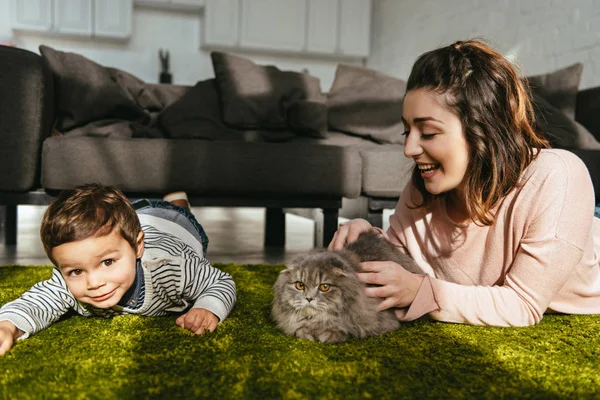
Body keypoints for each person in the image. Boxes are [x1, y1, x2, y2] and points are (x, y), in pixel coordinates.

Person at [329, 39, 600, 327]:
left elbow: (522, 304)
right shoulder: (424, 188)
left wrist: (425, 292)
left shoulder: (556, 175)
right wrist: (366, 238)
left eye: (429, 133)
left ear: (481, 130)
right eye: (406, 132)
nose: (409, 149)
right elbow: (402, 264)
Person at [0, 184, 236, 356]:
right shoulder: (68, 283)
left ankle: (179, 202)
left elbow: (221, 282)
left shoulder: (171, 268)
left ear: (137, 248)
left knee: (180, 212)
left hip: (175, 225)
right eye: (76, 271)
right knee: (121, 221)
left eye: (108, 262)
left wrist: (208, 308)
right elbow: (35, 302)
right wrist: (8, 325)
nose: (94, 283)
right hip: (136, 218)